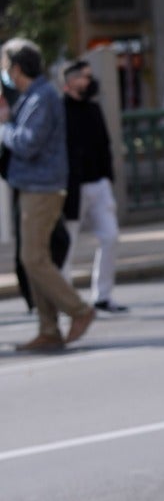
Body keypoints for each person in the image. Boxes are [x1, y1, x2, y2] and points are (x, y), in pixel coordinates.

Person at [0, 38, 95, 350]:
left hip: (42, 188)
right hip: (33, 186)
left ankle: (78, 310)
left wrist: (2, 127)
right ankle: (48, 329)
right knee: (35, 258)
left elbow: (28, 143)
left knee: (33, 258)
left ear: (17, 67)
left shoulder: (42, 97)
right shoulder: (33, 96)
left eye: (7, 65)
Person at [60, 59, 125, 313]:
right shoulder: (59, 109)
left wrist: (107, 176)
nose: (89, 81)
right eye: (84, 76)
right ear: (70, 80)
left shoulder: (93, 109)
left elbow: (105, 144)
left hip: (98, 183)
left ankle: (103, 295)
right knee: (67, 245)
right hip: (72, 188)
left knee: (110, 236)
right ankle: (67, 300)